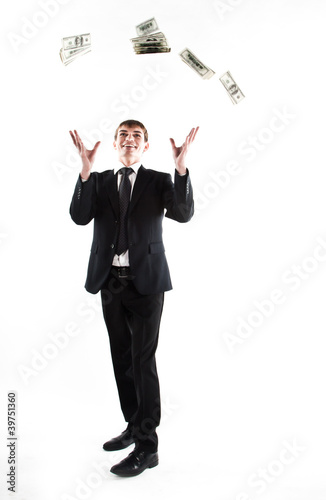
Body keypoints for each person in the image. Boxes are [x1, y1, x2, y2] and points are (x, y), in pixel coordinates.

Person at [69, 120, 198, 477]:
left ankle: (147, 447)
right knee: (122, 358)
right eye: (123, 135)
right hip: (110, 281)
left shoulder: (158, 181)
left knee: (143, 361)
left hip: (147, 284)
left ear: (145, 147)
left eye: (136, 136)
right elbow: (79, 218)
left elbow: (184, 215)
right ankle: (133, 424)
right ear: (114, 144)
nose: (130, 140)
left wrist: (181, 169)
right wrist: (84, 170)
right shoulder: (99, 181)